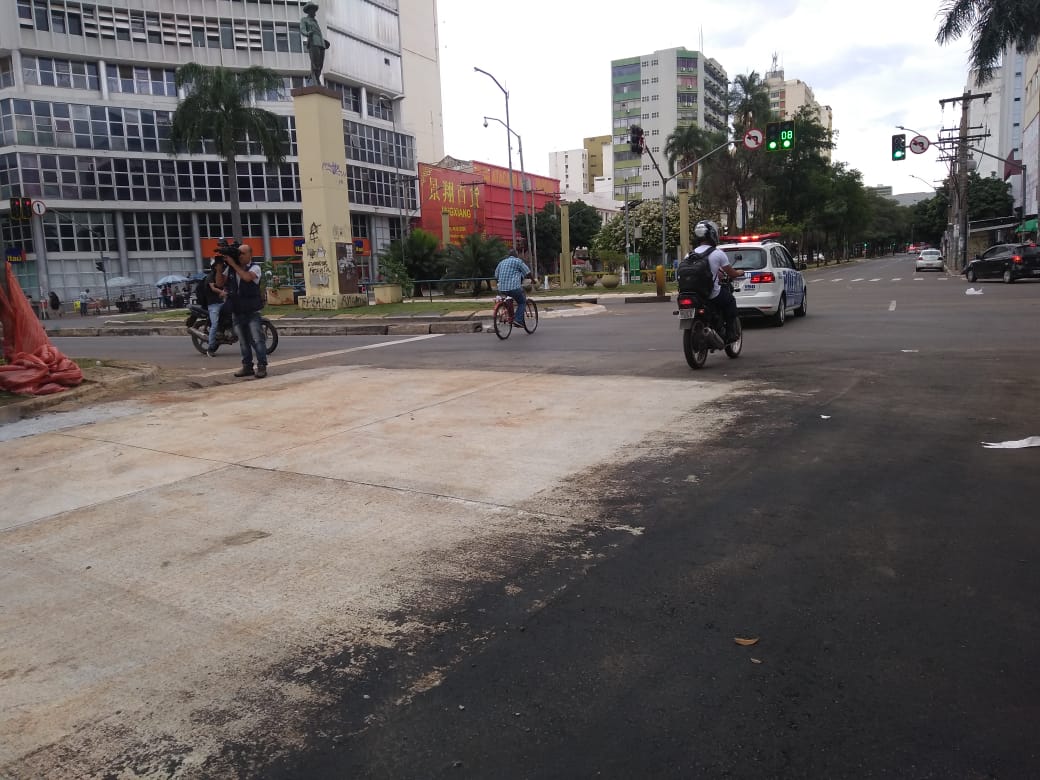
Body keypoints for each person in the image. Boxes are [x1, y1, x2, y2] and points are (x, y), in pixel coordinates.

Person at [691, 219, 742, 343]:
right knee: (730, 301)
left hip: (693, 295)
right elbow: (732, 273)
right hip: (710, 293)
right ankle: (730, 333)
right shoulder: (718, 253)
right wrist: (740, 272)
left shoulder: (690, 254)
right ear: (713, 235)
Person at [222, 244, 268, 379]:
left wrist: (234, 265)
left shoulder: (255, 267)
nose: (240, 255)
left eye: (243, 253)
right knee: (243, 342)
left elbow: (247, 277)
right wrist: (219, 268)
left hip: (252, 310)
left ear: (250, 255)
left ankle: (261, 366)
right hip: (236, 310)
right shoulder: (230, 268)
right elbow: (220, 282)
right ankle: (247, 366)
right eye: (238, 253)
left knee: (257, 339)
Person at [494, 248, 534, 330]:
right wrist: (533, 280)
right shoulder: (517, 261)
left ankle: (510, 314)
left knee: (509, 297)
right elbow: (527, 272)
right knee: (522, 302)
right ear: (516, 255)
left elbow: (496, 275)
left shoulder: (501, 262)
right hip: (514, 287)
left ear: (508, 256)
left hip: (501, 288)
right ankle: (518, 320)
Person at [202, 257, 228, 357]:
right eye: (220, 264)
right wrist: (222, 292)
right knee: (215, 324)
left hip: (221, 302)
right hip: (213, 304)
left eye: (222, 264)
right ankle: (210, 348)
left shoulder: (222, 276)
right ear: (216, 266)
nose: (222, 266)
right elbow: (213, 288)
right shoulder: (210, 276)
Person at [300, 2, 330, 85]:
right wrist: (307, 33)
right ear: (309, 11)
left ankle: (315, 77)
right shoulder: (304, 20)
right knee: (315, 62)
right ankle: (315, 79)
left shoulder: (315, 21)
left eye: (314, 10)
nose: (314, 12)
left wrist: (324, 41)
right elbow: (302, 30)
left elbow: (318, 33)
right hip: (313, 42)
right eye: (312, 10)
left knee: (320, 64)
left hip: (321, 44)